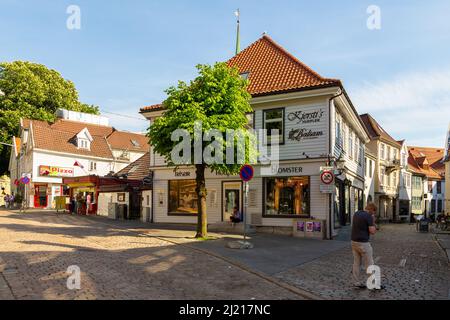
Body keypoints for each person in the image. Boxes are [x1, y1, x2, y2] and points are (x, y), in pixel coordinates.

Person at [351, 202, 383, 290]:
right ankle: (373, 284)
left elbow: (361, 226)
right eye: (374, 211)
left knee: (356, 263)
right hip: (363, 243)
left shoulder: (357, 213)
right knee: (370, 263)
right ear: (371, 210)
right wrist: (373, 223)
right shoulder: (368, 216)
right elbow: (372, 231)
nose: (374, 213)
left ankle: (356, 282)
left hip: (354, 241)